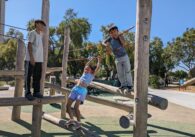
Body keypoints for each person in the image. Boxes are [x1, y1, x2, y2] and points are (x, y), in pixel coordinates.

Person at [66, 56, 101, 129]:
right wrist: (90, 60)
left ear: (91, 71)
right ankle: (71, 120)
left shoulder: (91, 75)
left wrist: (99, 60)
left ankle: (78, 123)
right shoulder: (83, 74)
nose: (86, 69)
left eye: (87, 68)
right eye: (85, 68)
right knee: (67, 106)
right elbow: (86, 65)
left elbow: (97, 68)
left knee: (76, 107)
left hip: (82, 91)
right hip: (75, 89)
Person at [102, 24, 133, 91]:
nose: (113, 33)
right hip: (117, 58)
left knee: (127, 71)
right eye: (111, 33)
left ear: (117, 31)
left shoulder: (120, 36)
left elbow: (124, 44)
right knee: (120, 72)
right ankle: (123, 85)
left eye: (115, 32)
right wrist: (106, 44)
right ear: (110, 34)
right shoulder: (110, 39)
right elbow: (103, 42)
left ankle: (129, 85)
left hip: (124, 56)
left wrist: (119, 37)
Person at [24, 19, 46, 101]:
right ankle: (27, 93)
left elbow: (44, 33)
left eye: (43, 25)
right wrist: (32, 58)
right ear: (36, 24)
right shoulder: (32, 33)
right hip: (30, 59)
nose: (43, 26)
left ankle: (36, 92)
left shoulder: (41, 34)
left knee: (37, 76)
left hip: (39, 60)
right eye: (41, 24)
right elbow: (29, 45)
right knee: (28, 76)